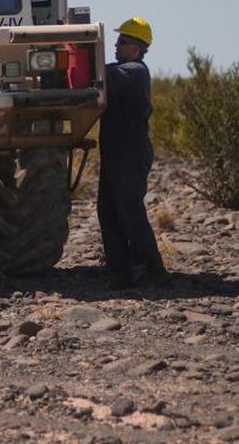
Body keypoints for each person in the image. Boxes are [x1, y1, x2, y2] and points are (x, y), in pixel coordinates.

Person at [96, 16, 169, 289]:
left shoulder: (134, 71)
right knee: (107, 209)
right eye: (118, 41)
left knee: (128, 209)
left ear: (137, 48)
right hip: (116, 153)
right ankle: (120, 270)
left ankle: (152, 268)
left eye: (123, 42)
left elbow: (103, 73)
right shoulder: (123, 70)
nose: (116, 45)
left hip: (130, 153)